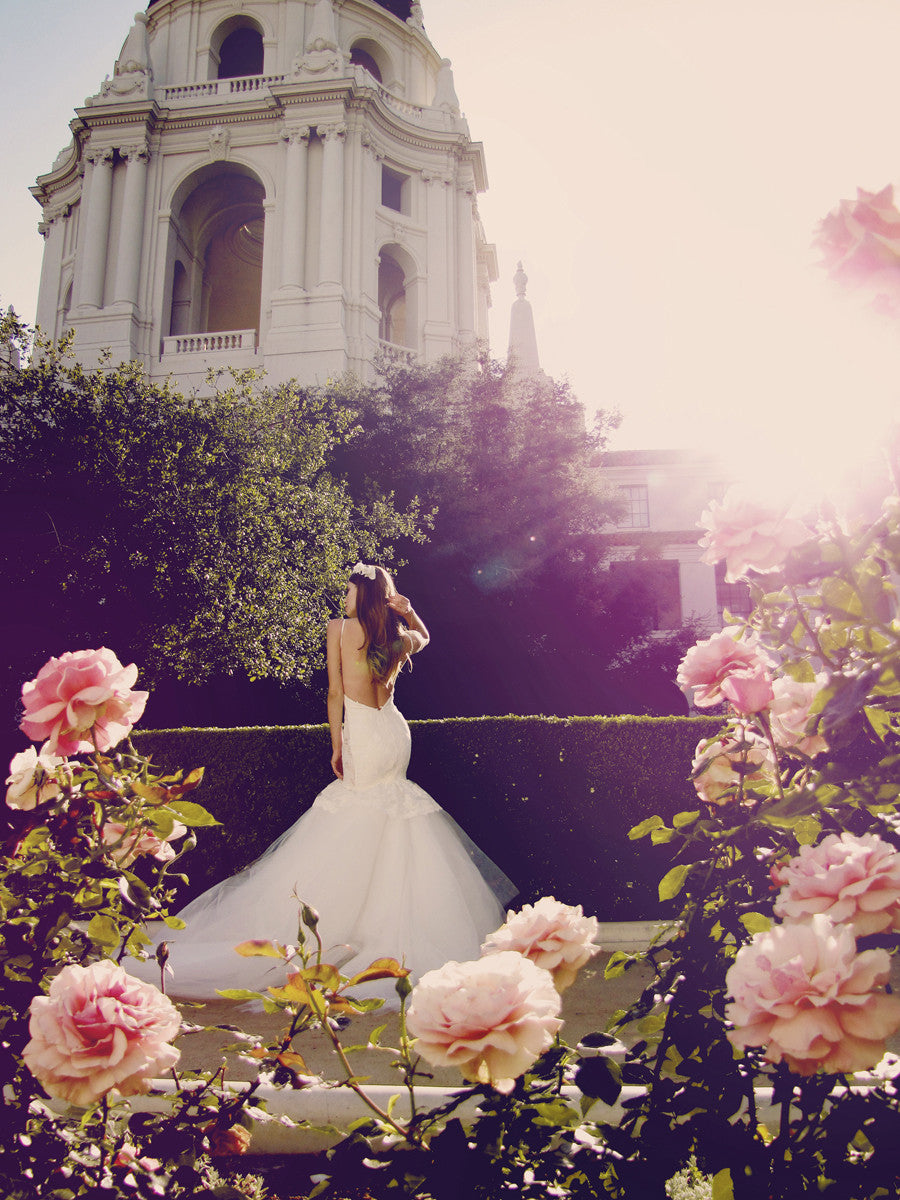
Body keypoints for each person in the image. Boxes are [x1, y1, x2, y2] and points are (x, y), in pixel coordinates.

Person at [141, 564, 516, 1002]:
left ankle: (342, 925)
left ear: (362, 593)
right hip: (393, 732)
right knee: (394, 814)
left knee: (355, 815)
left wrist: (337, 746)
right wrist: (410, 612)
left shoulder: (339, 629)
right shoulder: (395, 634)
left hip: (362, 733)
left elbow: (335, 694)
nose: (344, 596)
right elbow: (426, 638)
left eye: (349, 589)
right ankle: (381, 924)